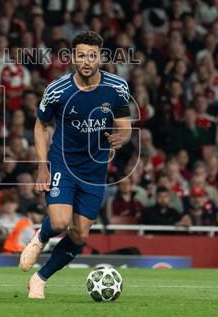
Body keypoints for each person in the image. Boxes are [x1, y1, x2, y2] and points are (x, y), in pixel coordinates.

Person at [18, 31, 133, 299]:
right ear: (72, 57)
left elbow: (125, 127)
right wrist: (42, 166)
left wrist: (122, 138)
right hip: (63, 163)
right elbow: (40, 125)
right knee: (60, 222)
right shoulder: (58, 89)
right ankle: (40, 238)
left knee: (80, 234)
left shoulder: (117, 88)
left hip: (94, 171)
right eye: (81, 55)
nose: (86, 61)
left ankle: (40, 278)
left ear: (101, 58)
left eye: (92, 55)